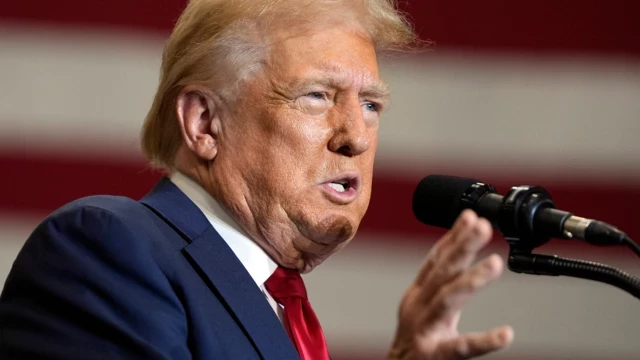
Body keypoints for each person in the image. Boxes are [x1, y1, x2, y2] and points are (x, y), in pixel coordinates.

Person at [0, 0, 514, 359]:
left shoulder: (273, 302)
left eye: (371, 104)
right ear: (204, 123)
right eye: (316, 95)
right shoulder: (105, 251)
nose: (355, 136)